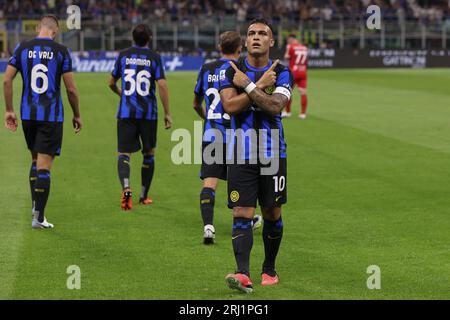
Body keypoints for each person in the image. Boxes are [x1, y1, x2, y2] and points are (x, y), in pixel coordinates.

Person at [219, 18, 292, 293]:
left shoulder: (282, 72)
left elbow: (275, 107)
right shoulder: (231, 71)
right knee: (241, 212)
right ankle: (242, 274)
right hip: (240, 152)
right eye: (251, 33)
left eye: (263, 33)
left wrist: (249, 86)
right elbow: (229, 106)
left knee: (272, 213)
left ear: (271, 41)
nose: (257, 37)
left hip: (273, 152)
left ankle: (269, 268)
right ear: (246, 41)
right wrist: (257, 85)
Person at [3, 14, 82, 229]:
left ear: (39, 28)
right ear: (55, 31)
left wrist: (9, 110)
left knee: (35, 160)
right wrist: (77, 114)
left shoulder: (21, 47)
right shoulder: (61, 52)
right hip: (51, 116)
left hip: (28, 115)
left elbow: (7, 79)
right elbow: (71, 89)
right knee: (44, 167)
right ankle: (38, 217)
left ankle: (35, 208)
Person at [193, 31, 262, 244]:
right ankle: (244, 222)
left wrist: (207, 119)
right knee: (240, 183)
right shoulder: (241, 70)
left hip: (212, 134)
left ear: (219, 46)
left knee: (209, 183)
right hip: (237, 134)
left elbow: (196, 103)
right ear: (240, 48)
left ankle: (208, 227)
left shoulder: (206, 69)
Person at [108, 24, 172, 210]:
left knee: (124, 153)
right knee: (149, 153)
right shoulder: (154, 58)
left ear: (132, 38)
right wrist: (167, 113)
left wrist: (122, 93)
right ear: (149, 38)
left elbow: (111, 82)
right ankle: (144, 196)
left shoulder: (123, 55)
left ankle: (126, 188)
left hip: (126, 112)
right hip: (148, 114)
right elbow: (162, 86)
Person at [282, 34, 308, 119]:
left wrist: (287, 50)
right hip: (303, 71)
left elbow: (286, 57)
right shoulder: (304, 47)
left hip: (293, 72)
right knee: (303, 92)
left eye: (288, 39)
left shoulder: (290, 46)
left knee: (288, 91)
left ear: (291, 39)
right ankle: (303, 114)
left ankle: (288, 112)